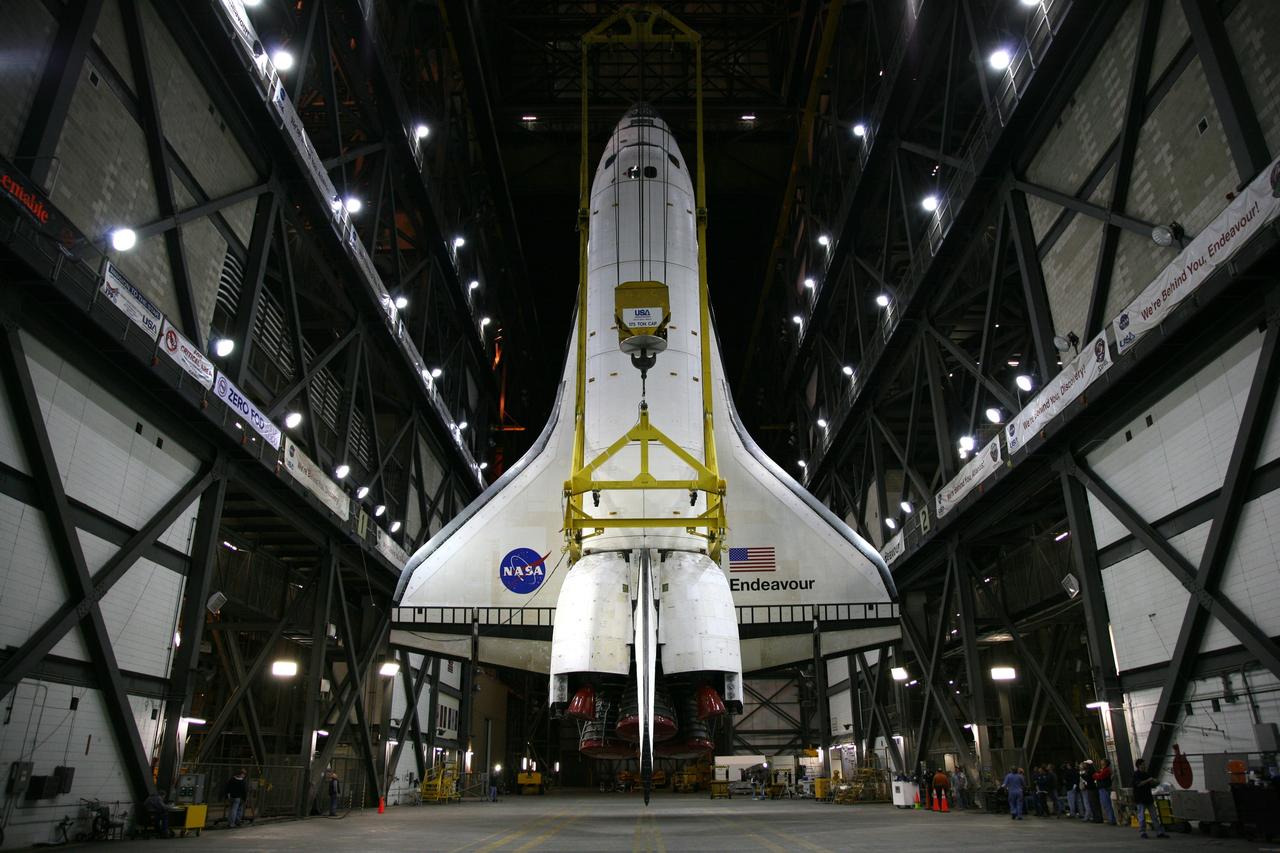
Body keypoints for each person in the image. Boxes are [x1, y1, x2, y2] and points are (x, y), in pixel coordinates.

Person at [1132, 759, 1169, 839]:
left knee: (1154, 816)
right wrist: (1149, 780)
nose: (1145, 766)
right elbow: (1138, 784)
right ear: (1139, 765)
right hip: (1140, 798)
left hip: (1148, 797)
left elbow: (1153, 782)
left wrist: (1156, 781)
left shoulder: (1146, 774)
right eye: (1143, 764)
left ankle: (1159, 832)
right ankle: (1143, 832)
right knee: (1142, 817)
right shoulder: (1136, 774)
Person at [1095, 758, 1117, 825]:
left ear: (1105, 763)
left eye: (1102, 761)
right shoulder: (1102, 770)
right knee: (1105, 804)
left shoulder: (1106, 770)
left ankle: (1111, 819)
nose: (1101, 762)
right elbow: (1095, 775)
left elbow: (1100, 776)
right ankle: (1110, 818)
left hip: (1105, 788)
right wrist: (1097, 775)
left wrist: (1097, 775)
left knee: (1107, 804)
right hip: (1102, 788)